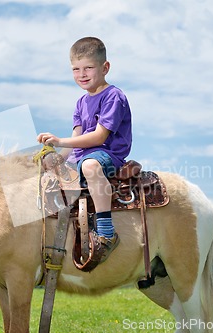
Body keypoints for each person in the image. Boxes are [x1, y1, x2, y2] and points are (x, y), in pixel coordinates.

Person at [37, 37, 132, 260]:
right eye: (76, 69)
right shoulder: (80, 103)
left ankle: (107, 233)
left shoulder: (113, 96)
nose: (82, 74)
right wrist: (57, 158)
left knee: (90, 167)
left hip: (106, 154)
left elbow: (99, 136)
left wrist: (59, 140)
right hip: (81, 155)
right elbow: (76, 138)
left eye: (89, 67)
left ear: (105, 67)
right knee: (46, 169)